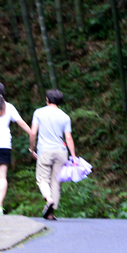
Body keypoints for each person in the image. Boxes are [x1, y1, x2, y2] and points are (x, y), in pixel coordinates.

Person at [29, 89, 76, 221]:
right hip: (61, 151)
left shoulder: (39, 112)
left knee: (42, 179)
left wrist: (32, 148)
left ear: (47, 100)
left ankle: (49, 199)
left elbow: (33, 133)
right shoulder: (65, 116)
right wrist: (74, 157)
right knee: (57, 182)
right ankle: (50, 214)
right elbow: (69, 138)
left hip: (45, 150)